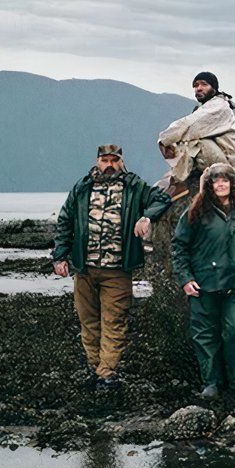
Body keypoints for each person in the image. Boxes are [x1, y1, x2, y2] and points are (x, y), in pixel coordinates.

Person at [51, 144, 172, 390]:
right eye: (104, 160)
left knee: (114, 321)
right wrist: (59, 256)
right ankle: (97, 368)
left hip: (117, 270)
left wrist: (146, 216)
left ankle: (106, 373)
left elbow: (162, 198)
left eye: (113, 160)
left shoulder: (134, 186)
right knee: (88, 321)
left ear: (121, 161)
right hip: (84, 268)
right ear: (97, 161)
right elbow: (65, 221)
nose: (109, 165)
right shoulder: (82, 187)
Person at [171, 163, 235, 401]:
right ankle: (211, 383)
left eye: (225, 179)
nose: (221, 184)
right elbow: (179, 247)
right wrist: (185, 279)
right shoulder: (195, 212)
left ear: (233, 184)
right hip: (204, 284)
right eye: (216, 180)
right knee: (204, 333)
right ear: (209, 185)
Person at [156, 72, 235, 200]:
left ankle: (180, 180)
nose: (199, 88)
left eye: (204, 84)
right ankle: (184, 176)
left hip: (226, 162)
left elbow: (190, 125)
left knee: (191, 139)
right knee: (186, 138)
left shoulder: (219, 105)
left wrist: (164, 138)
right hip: (215, 155)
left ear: (214, 88)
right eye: (196, 85)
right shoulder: (205, 107)